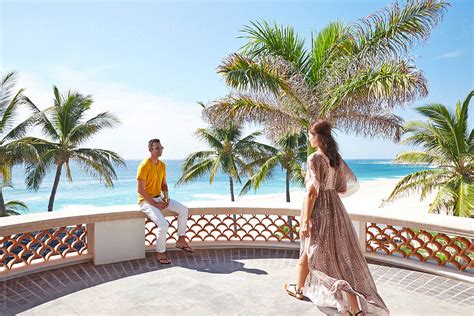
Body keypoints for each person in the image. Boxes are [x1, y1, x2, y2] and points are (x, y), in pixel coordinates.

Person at [284, 120, 389, 316]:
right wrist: (330, 192)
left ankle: (301, 291)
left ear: (317, 136)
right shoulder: (335, 158)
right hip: (336, 210)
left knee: (311, 251)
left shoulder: (314, 159)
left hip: (319, 211)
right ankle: (354, 308)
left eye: (310, 134)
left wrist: (306, 220)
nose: (308, 138)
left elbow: (311, 192)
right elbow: (344, 186)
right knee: (342, 256)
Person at [137, 138, 194, 264]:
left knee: (183, 210)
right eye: (157, 148)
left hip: (159, 197)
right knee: (163, 225)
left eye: (161, 148)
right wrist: (155, 204)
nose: (160, 150)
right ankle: (160, 252)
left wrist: (166, 197)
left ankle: (181, 239)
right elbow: (140, 190)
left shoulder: (162, 165)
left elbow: (163, 184)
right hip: (146, 202)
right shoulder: (144, 165)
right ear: (150, 150)